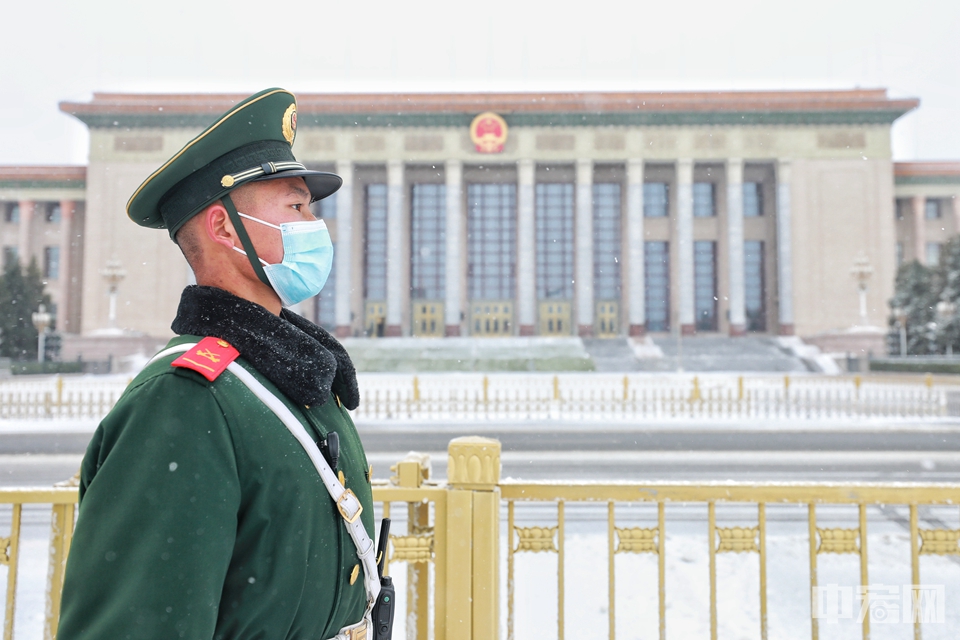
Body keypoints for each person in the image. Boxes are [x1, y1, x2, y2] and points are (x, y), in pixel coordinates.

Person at [58, 88, 378, 640]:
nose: (314, 227)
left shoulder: (281, 377)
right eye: (296, 207)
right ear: (225, 229)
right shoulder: (184, 401)